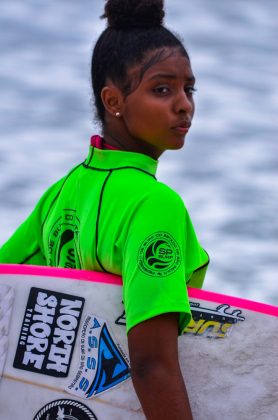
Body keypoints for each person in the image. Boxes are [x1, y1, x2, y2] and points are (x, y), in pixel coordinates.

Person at [0, 0, 209, 418]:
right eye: (162, 89)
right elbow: (151, 365)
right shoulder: (154, 204)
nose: (184, 104)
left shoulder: (60, 193)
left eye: (189, 89)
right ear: (113, 100)